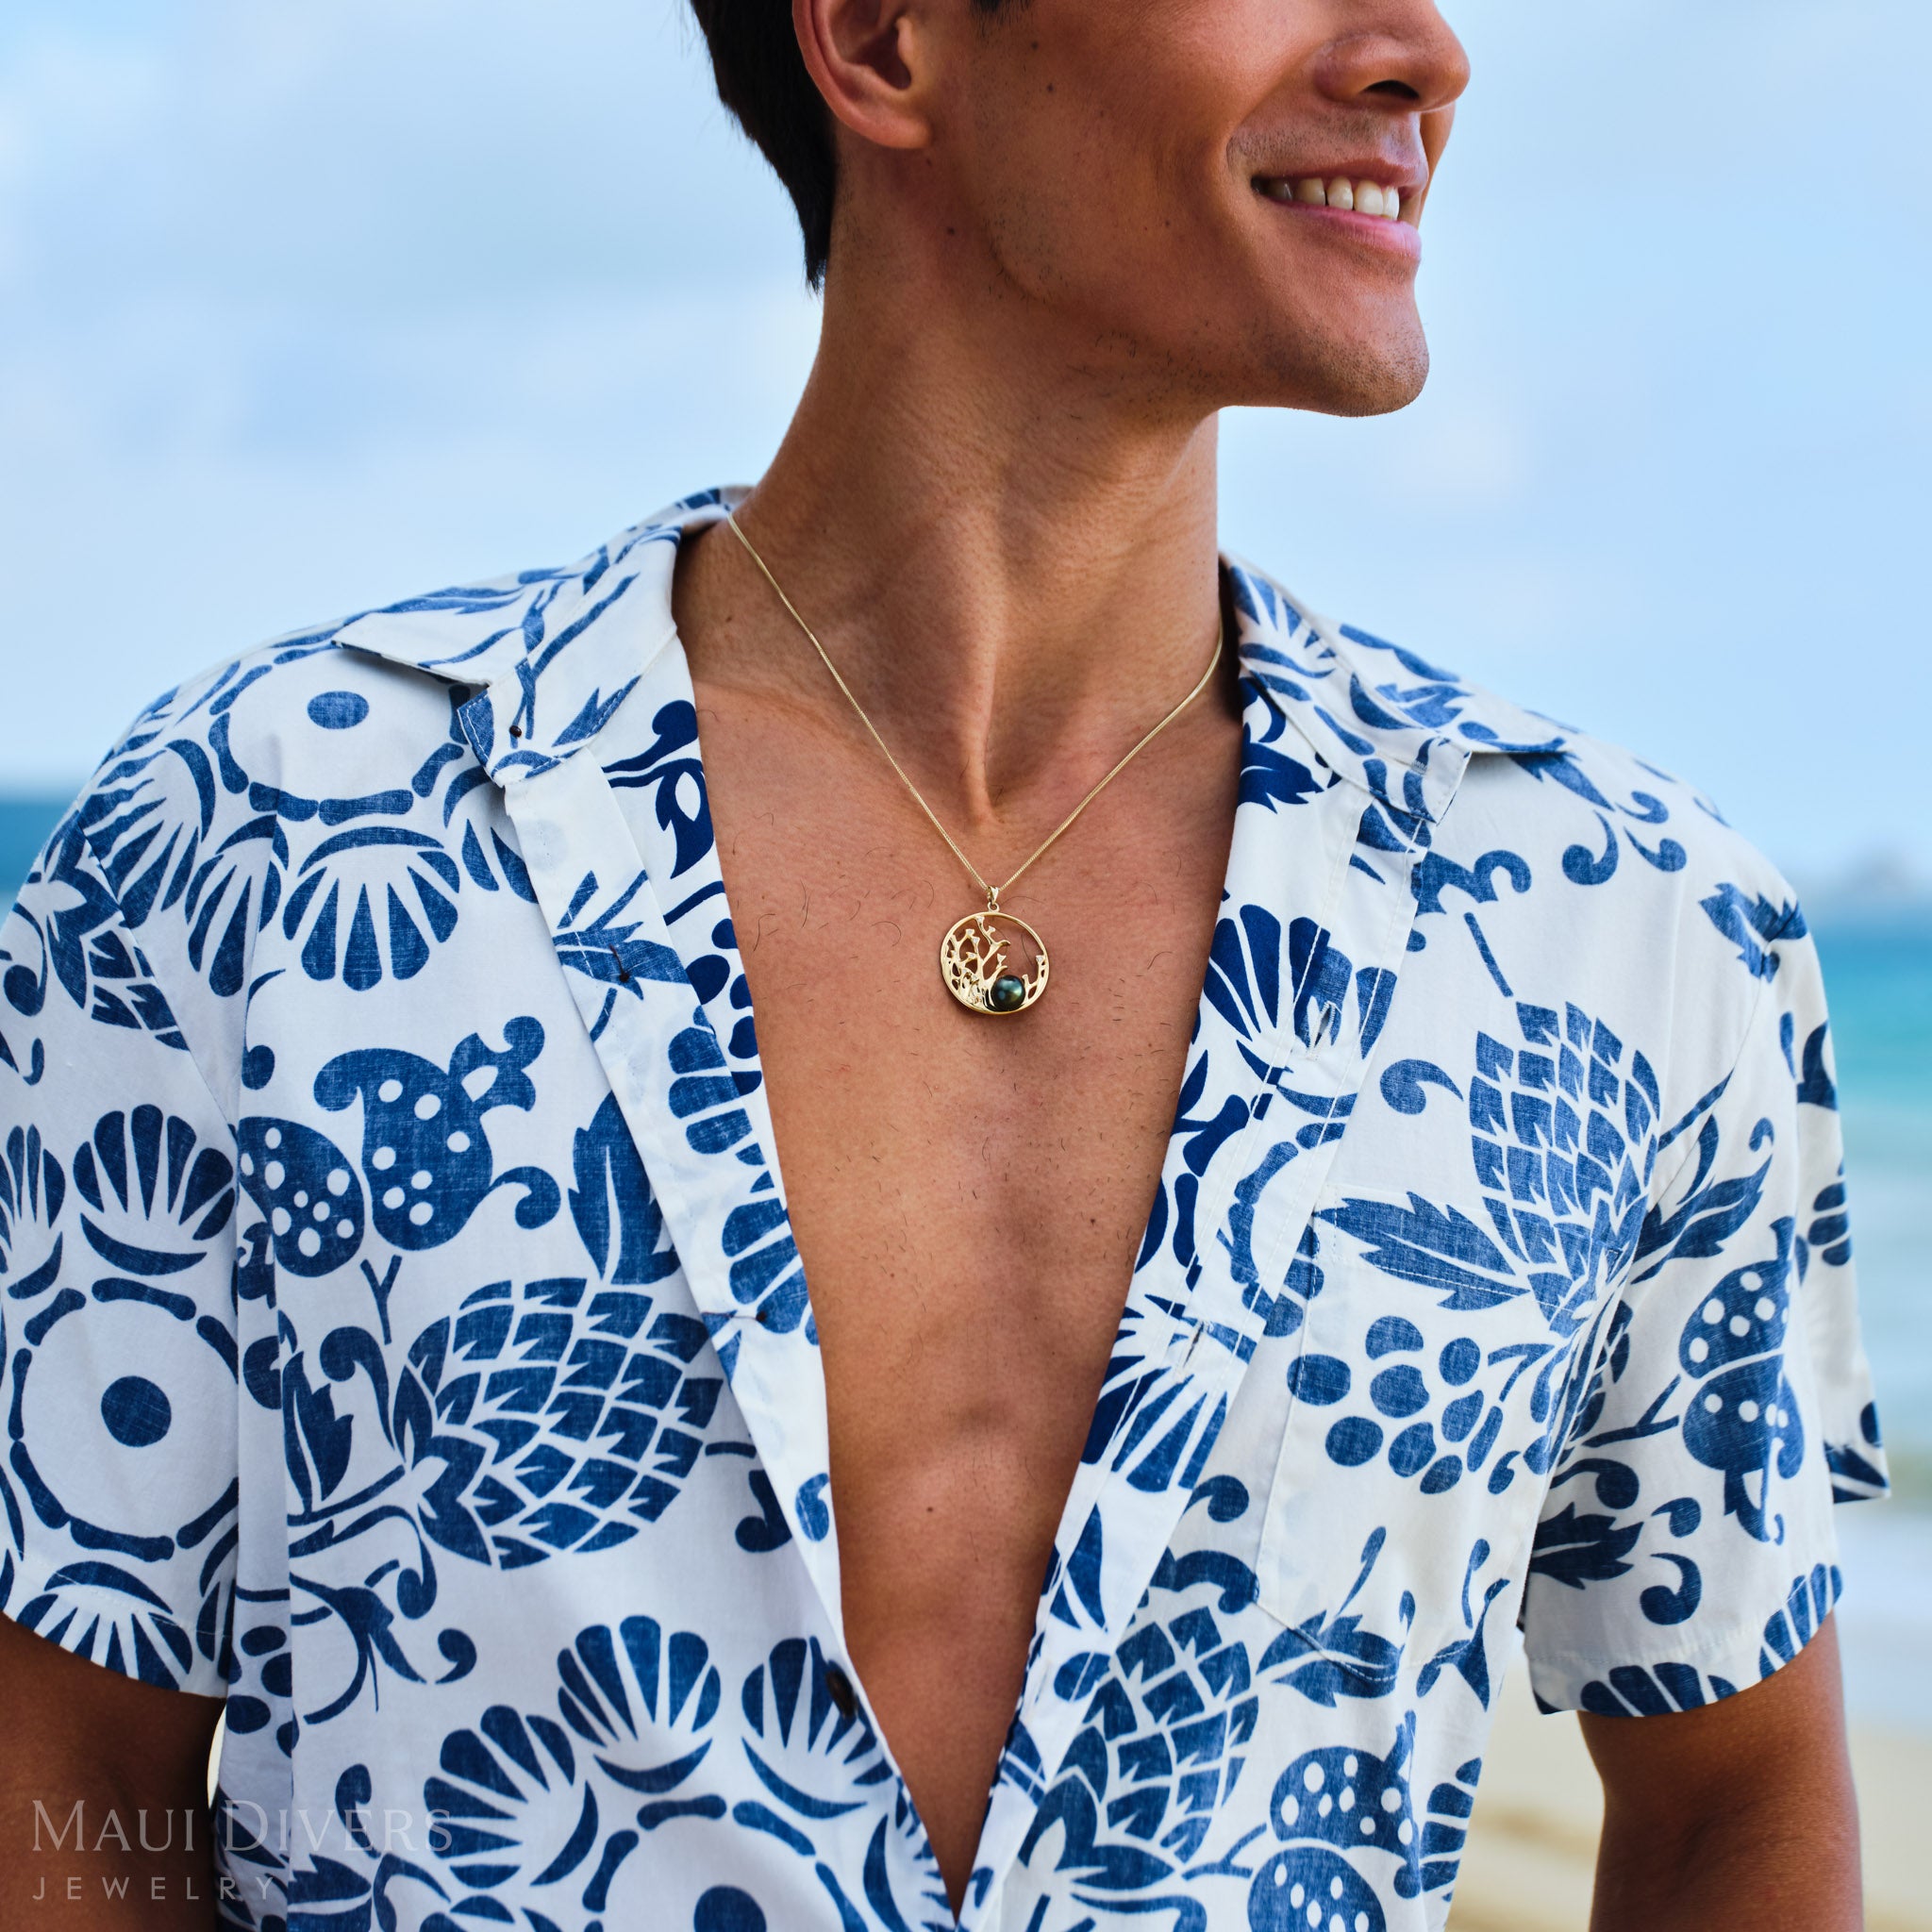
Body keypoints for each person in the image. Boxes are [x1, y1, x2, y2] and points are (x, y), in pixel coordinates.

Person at [0, 1, 1889, 1926]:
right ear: (884, 38)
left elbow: (1733, 1800)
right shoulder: (262, 845)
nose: (1423, 51)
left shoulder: (1624, 929)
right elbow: (69, 1774)